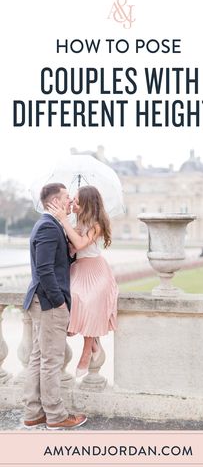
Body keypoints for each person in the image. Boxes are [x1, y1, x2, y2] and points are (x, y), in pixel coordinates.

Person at [23, 183, 92, 430]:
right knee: (51, 360)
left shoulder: (51, 226)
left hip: (41, 301)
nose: (70, 200)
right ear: (54, 201)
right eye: (66, 197)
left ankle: (33, 413)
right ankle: (55, 416)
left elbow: (55, 262)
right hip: (49, 302)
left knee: (39, 357)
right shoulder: (48, 228)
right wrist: (59, 301)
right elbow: (44, 270)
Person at [48, 185, 118, 378]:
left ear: (88, 203)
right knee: (74, 298)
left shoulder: (97, 224)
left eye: (78, 201)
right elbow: (72, 247)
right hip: (79, 269)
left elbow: (79, 244)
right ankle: (94, 341)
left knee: (89, 301)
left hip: (95, 270)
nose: (74, 203)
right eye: (74, 200)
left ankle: (86, 352)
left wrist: (64, 221)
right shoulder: (78, 220)